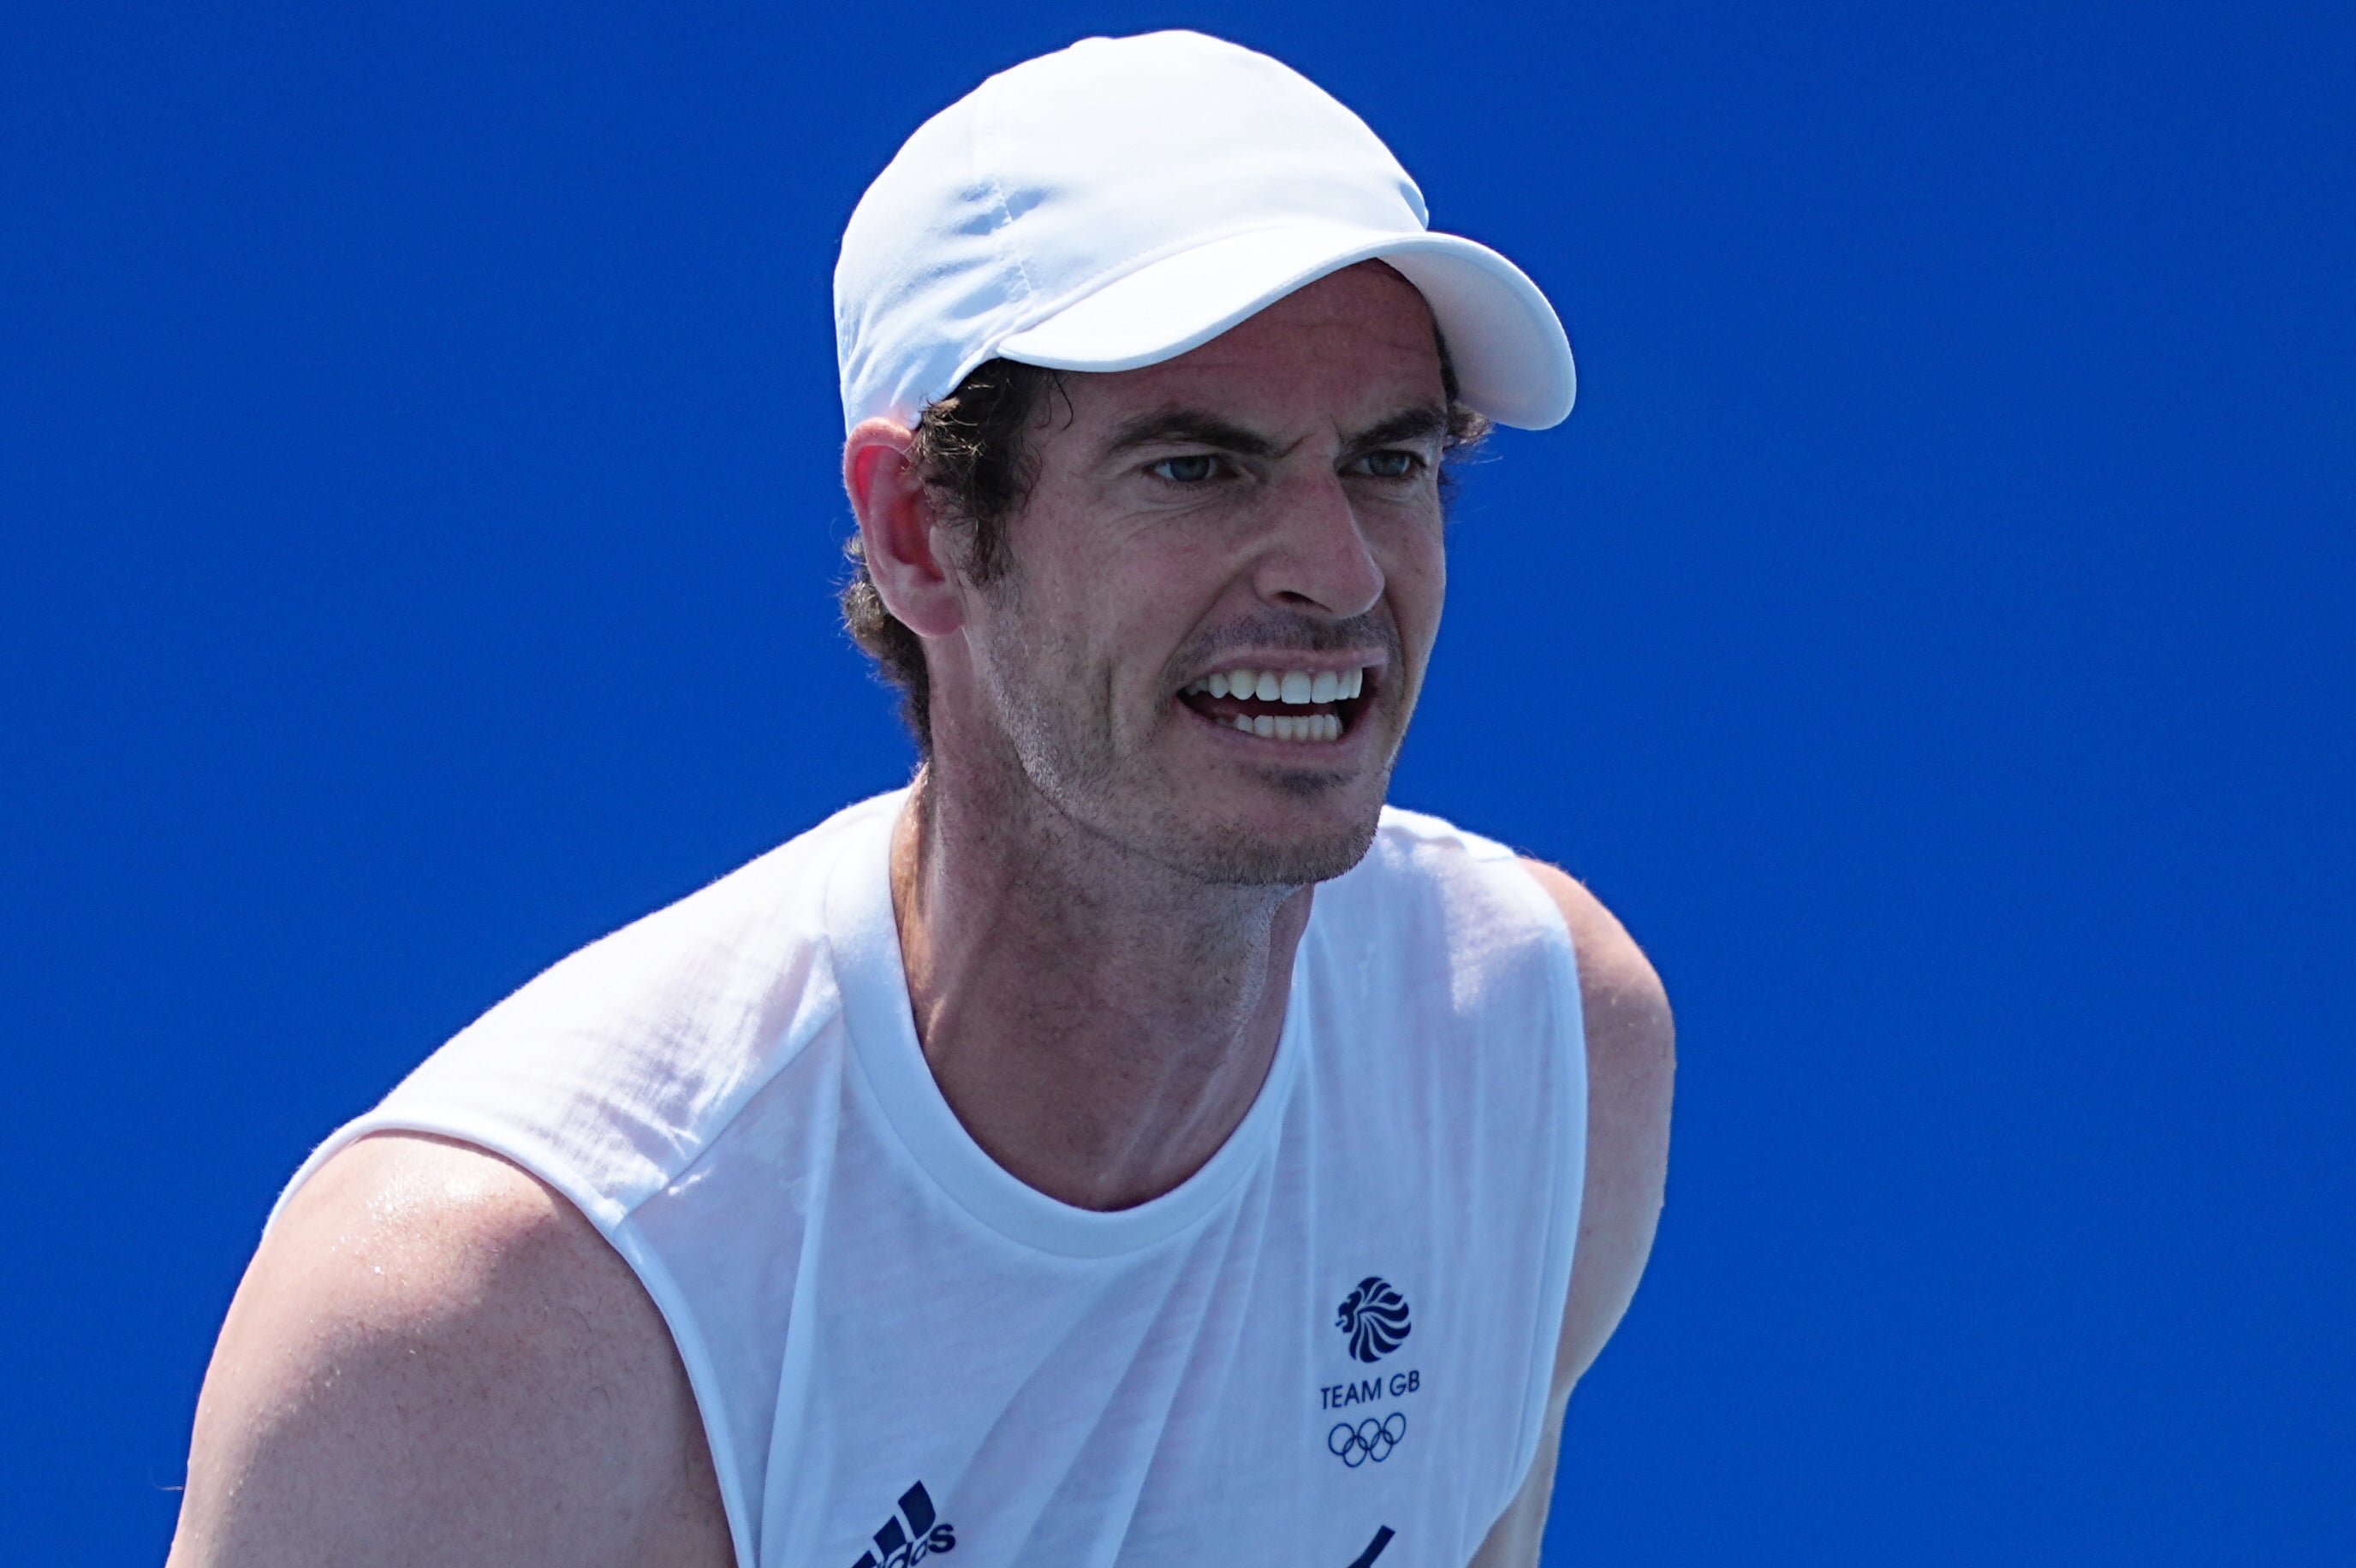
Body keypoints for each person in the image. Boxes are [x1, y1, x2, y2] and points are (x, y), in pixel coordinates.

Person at [168, 31, 1673, 1568]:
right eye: (1196, 469)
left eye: (1389, 462)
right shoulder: (489, 1319)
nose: (1341, 570)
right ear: (919, 532)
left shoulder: (1540, 1049)